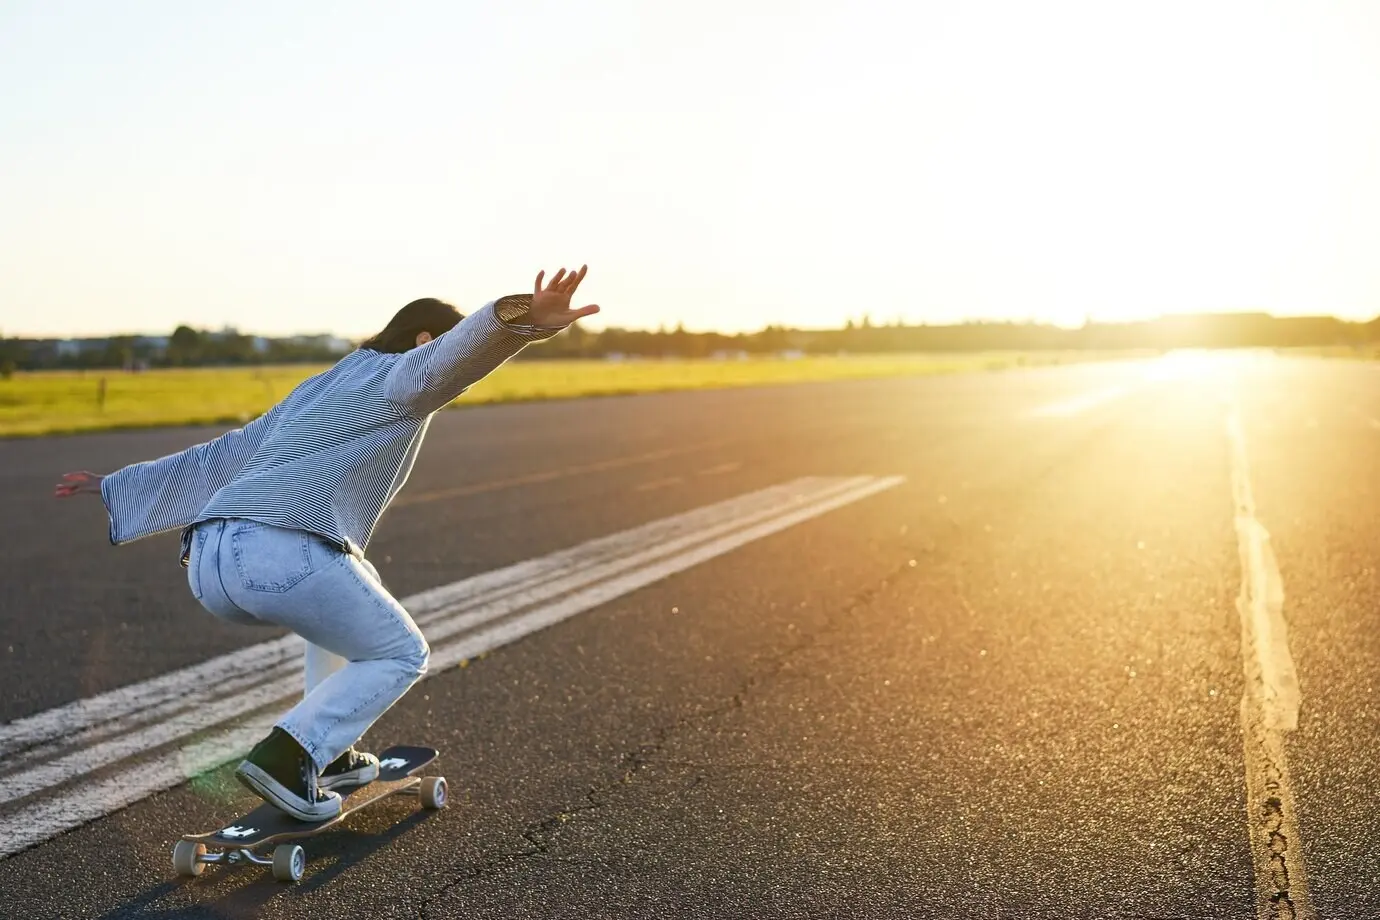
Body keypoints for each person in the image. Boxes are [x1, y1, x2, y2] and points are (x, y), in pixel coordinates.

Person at [54, 266, 599, 821]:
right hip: (277, 551)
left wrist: (118, 484)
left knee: (351, 593)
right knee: (402, 652)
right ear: (424, 341)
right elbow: (458, 355)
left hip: (209, 561)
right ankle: (292, 754)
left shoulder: (325, 382)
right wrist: (524, 319)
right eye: (444, 346)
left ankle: (331, 758)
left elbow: (230, 450)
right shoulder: (403, 376)